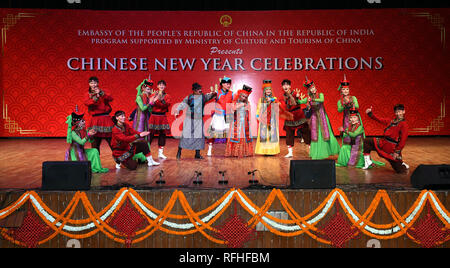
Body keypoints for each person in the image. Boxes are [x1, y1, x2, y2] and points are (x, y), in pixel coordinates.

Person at [297, 76, 340, 160]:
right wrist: (297, 97)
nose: (313, 89)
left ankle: (329, 150)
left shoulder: (320, 95)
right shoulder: (308, 98)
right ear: (308, 90)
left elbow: (321, 100)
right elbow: (299, 102)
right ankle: (318, 152)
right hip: (314, 118)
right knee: (316, 135)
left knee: (327, 133)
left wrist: (311, 100)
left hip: (323, 117)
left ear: (315, 87)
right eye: (311, 89)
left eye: (313, 87)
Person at [175, 82, 217, 159]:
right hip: (189, 119)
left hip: (199, 120)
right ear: (194, 91)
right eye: (198, 90)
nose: (200, 91)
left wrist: (214, 93)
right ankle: (179, 152)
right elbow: (182, 104)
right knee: (185, 136)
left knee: (199, 137)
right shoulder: (189, 98)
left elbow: (211, 95)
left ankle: (197, 154)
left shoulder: (203, 97)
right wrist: (177, 110)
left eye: (200, 89)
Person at [363, 104, 409, 173]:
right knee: (367, 141)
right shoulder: (391, 121)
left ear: (403, 112)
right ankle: (368, 162)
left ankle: (401, 163)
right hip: (383, 142)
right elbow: (380, 119)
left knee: (400, 171)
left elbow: (403, 140)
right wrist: (370, 114)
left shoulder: (404, 124)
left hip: (391, 148)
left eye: (399, 111)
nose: (398, 113)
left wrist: (397, 152)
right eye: (396, 112)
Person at [65, 106, 109, 173]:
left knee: (94, 150)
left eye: (83, 121)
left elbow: (90, 141)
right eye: (82, 121)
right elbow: (81, 142)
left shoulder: (83, 131)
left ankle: (96, 167)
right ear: (77, 123)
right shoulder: (73, 133)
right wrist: (88, 134)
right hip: (75, 152)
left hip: (82, 151)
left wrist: (92, 135)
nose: (84, 122)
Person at [281, 79, 311, 158]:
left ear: (290, 86)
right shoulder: (283, 96)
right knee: (289, 133)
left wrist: (297, 97)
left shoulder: (295, 93)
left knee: (305, 131)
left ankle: (311, 149)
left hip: (298, 114)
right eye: (284, 85)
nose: (285, 86)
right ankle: (290, 152)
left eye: (287, 84)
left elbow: (296, 102)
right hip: (290, 116)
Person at [84, 76, 114, 155]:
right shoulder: (87, 94)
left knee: (112, 142)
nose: (93, 84)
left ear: (98, 83)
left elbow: (110, 98)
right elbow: (87, 103)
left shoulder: (104, 91)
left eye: (95, 83)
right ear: (89, 84)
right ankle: (95, 162)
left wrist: (100, 93)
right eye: (91, 83)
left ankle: (119, 160)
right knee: (95, 144)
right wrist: (95, 97)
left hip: (106, 119)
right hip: (95, 120)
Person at [206, 76, 234, 156]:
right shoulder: (217, 93)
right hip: (218, 115)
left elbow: (234, 103)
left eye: (229, 84)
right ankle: (209, 149)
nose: (228, 85)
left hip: (228, 115)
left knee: (229, 134)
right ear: (222, 84)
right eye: (226, 84)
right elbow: (207, 98)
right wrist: (209, 95)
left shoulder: (231, 93)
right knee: (213, 133)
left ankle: (229, 150)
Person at [225, 85, 254, 157]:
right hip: (236, 122)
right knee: (236, 137)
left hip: (244, 122)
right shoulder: (234, 102)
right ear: (240, 95)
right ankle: (235, 152)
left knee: (244, 137)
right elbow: (232, 109)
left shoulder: (247, 103)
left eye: (245, 97)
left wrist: (249, 121)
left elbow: (248, 113)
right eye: (243, 96)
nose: (244, 98)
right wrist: (240, 105)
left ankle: (244, 152)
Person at [255, 80, 280, 155]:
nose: (268, 91)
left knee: (271, 134)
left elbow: (277, 102)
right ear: (264, 91)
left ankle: (272, 151)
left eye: (269, 89)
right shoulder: (261, 99)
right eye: (267, 90)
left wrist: (271, 100)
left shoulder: (274, 99)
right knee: (264, 135)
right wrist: (257, 116)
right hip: (264, 119)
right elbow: (258, 108)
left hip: (272, 119)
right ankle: (264, 151)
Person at [148, 80, 171, 159]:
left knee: (162, 134)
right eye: (160, 85)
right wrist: (157, 98)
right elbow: (151, 104)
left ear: (165, 87)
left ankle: (160, 153)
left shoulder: (167, 96)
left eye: (163, 85)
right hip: (154, 116)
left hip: (162, 116)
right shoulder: (153, 94)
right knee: (150, 134)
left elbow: (166, 105)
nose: (161, 86)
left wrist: (159, 99)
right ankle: (147, 153)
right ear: (157, 86)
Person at [337, 74, 364, 138]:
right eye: (343, 89)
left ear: (349, 90)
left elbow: (357, 106)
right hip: (347, 118)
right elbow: (339, 110)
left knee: (356, 134)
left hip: (355, 117)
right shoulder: (340, 101)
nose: (345, 91)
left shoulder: (353, 98)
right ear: (341, 91)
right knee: (347, 133)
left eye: (347, 89)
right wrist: (345, 105)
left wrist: (350, 102)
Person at [132, 78, 154, 145]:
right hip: (140, 117)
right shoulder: (139, 97)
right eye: (147, 89)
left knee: (146, 132)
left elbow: (150, 110)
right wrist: (150, 103)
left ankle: (145, 151)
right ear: (143, 89)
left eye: (150, 89)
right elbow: (143, 108)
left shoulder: (148, 98)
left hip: (146, 117)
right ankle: (137, 150)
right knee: (140, 130)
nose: (149, 91)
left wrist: (153, 103)